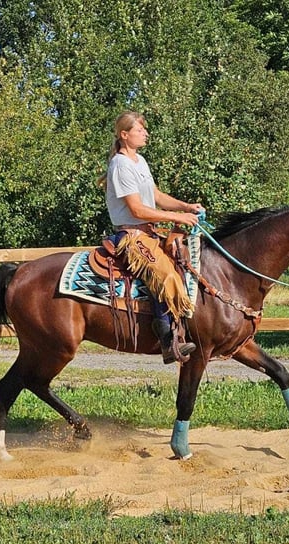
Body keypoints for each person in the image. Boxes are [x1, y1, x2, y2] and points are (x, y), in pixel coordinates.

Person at [98, 111, 204, 364]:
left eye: (144, 130)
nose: (145, 134)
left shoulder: (140, 161)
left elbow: (155, 195)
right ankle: (168, 340)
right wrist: (177, 218)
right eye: (140, 130)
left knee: (183, 262)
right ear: (124, 135)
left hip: (150, 232)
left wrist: (186, 206)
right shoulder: (121, 165)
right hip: (132, 236)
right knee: (165, 275)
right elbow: (136, 209)